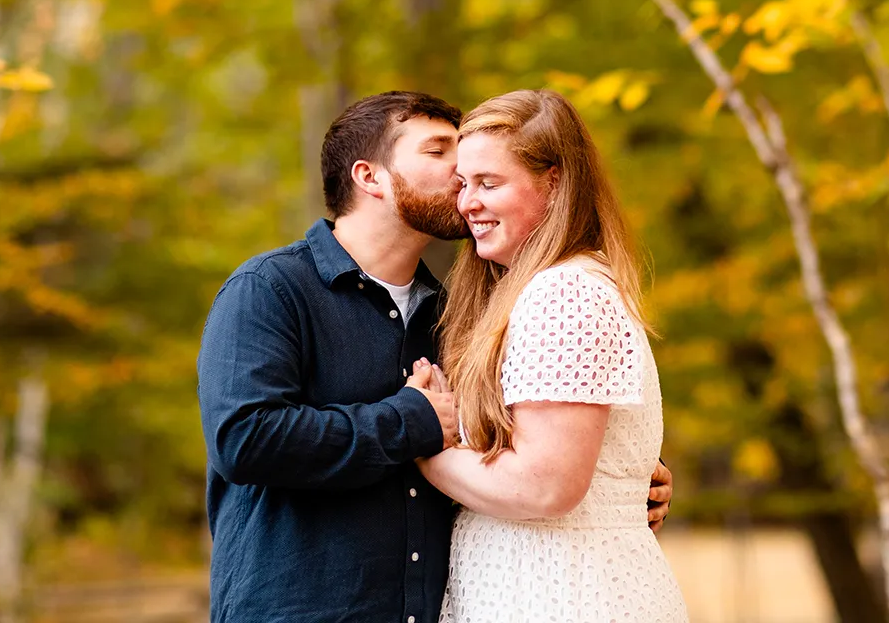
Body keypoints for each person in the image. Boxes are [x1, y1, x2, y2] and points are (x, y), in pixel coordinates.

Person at [196, 90, 672, 623]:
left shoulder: (457, 315)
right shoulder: (272, 290)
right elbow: (244, 439)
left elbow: (520, 455)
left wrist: (616, 469)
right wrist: (408, 422)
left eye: (478, 171)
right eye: (439, 150)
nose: (460, 169)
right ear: (369, 177)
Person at [421, 89, 689, 623]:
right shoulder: (529, 292)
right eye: (464, 184)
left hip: (562, 593)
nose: (467, 202)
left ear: (555, 182)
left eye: (489, 183)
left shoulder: (563, 293)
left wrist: (421, 444)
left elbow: (545, 485)